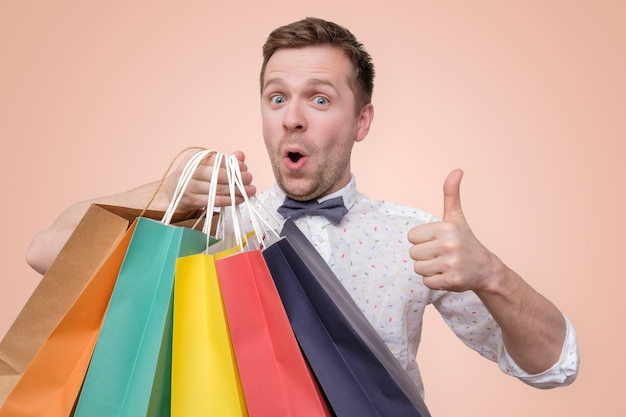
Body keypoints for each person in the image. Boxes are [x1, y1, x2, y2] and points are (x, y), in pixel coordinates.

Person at [26, 17, 579, 398]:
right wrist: (160, 195)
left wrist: (492, 275)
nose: (292, 117)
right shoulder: (215, 225)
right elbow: (46, 251)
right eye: (277, 96)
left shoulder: (417, 240)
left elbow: (554, 367)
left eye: (319, 98)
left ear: (362, 121)